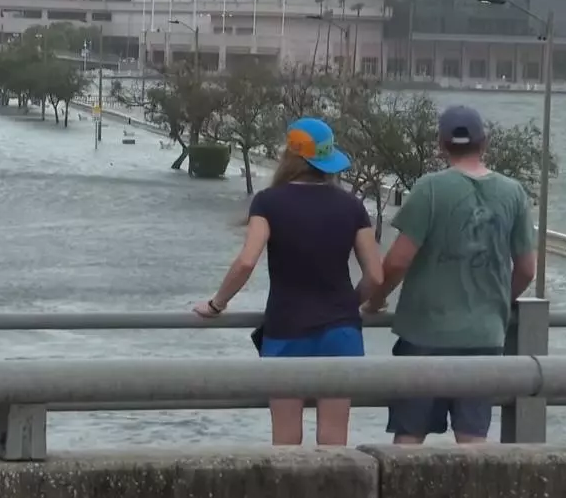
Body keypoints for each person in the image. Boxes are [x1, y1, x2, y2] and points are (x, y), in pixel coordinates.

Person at [193, 117, 383, 446]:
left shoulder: (269, 202)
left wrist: (216, 304)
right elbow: (376, 276)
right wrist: (348, 304)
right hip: (342, 332)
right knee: (334, 442)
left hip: (287, 330)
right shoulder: (352, 206)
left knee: (285, 444)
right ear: (327, 160)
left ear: (290, 156)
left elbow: (246, 261)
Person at [362, 105, 536, 445]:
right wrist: (499, 302)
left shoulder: (429, 188)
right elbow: (527, 269)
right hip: (484, 335)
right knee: (473, 440)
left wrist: (377, 300)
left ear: (441, 144)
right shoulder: (514, 192)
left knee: (409, 437)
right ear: (484, 142)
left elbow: (397, 261)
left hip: (424, 333)